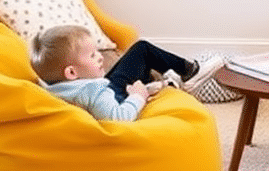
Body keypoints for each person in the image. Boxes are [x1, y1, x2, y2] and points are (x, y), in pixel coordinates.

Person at [29, 25, 225, 122]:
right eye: (92, 55)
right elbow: (119, 119)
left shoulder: (51, 86)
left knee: (139, 54)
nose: (99, 58)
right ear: (71, 72)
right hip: (114, 95)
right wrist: (138, 97)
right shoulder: (94, 91)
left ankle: (162, 83)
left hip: (105, 90)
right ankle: (190, 73)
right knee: (143, 49)